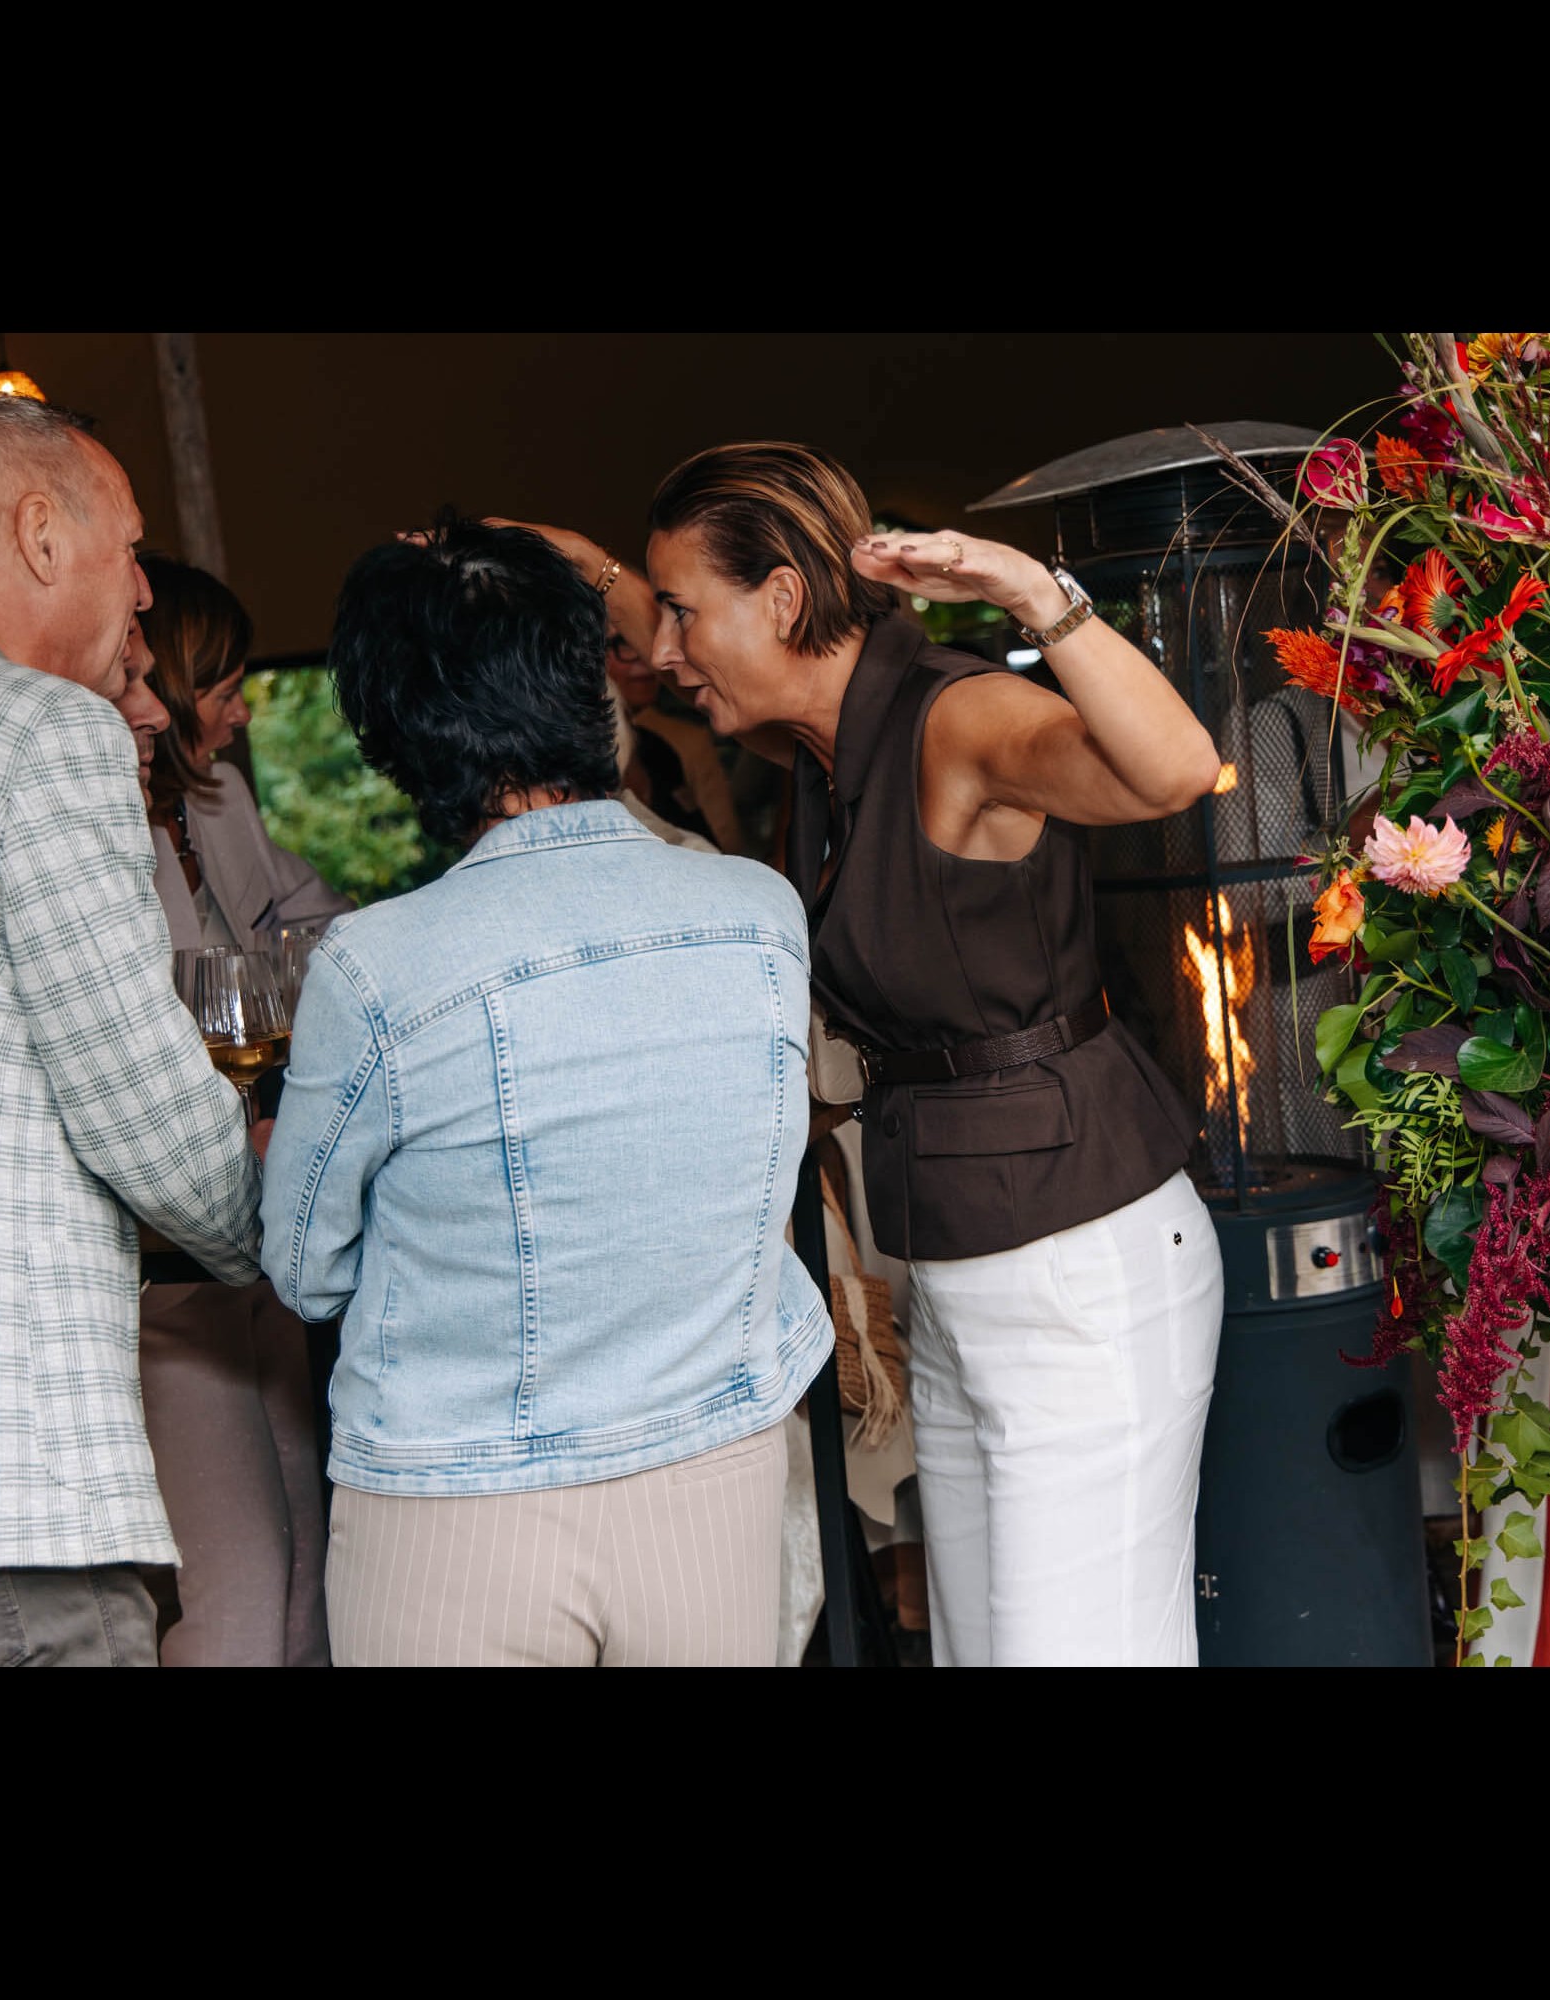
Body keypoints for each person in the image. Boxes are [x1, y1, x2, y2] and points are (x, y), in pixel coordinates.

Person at [573, 441, 1226, 1667]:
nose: (659, 651)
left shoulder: (954, 717)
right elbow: (643, 622)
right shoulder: (829, 746)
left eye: (681, 612)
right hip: (955, 1266)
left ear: (780, 598)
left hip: (1077, 1268)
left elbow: (1177, 770)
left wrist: (1029, 592)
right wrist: (553, 558)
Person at [259, 517, 832, 1667]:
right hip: (713, 1469)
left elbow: (304, 1269)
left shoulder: (374, 966)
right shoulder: (758, 912)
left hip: (457, 1502)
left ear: (397, 735)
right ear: (592, 687)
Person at [0, 390, 263, 1668]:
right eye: (127, 547)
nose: (142, 589)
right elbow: (146, 1113)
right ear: (38, 534)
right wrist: (293, 1225)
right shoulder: (41, 729)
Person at [123, 571, 341, 1666]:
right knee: (238, 1584)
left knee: (309, 1559)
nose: (243, 711)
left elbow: (316, 925)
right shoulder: (92, 825)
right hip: (164, 1260)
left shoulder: (216, 801)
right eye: (223, 687)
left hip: (260, 1218)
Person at [139, 554, 353, 951]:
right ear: (163, 700)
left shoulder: (223, 794)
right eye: (225, 695)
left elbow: (325, 918)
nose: (243, 714)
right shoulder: (109, 835)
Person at [605, 624, 746, 852]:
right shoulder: (579, 761)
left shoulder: (661, 748)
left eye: (641, 642)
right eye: (624, 644)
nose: (647, 659)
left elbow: (725, 844)